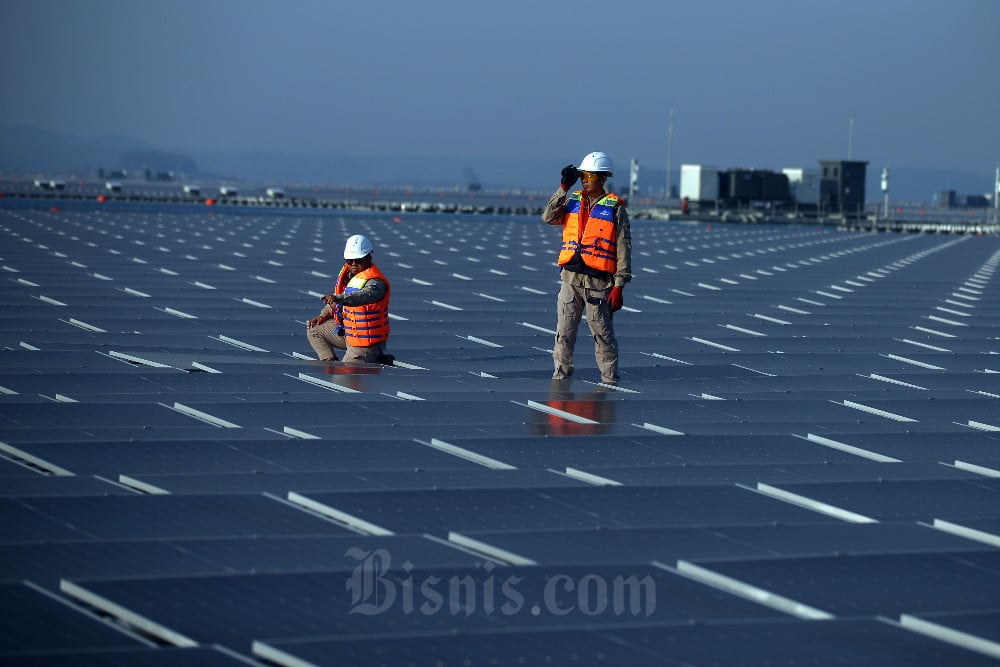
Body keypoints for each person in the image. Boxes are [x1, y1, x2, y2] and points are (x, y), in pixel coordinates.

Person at [542, 151, 632, 383]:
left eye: (590, 175)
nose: (585, 179)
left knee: (602, 334)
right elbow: (549, 217)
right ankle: (560, 377)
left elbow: (623, 248)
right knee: (564, 333)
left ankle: (609, 378)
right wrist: (563, 187)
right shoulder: (572, 200)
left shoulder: (615, 208)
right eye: (583, 175)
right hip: (570, 280)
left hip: (599, 283)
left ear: (603, 178)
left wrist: (619, 286)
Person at [306, 234, 394, 365]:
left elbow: (362, 296)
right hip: (349, 333)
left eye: (358, 260)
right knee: (314, 329)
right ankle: (330, 362)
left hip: (365, 343)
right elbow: (337, 304)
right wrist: (323, 316)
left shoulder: (375, 282)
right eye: (349, 260)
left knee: (345, 376)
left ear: (369, 257)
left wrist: (338, 298)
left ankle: (374, 356)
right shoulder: (350, 277)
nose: (353, 264)